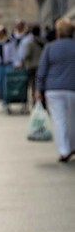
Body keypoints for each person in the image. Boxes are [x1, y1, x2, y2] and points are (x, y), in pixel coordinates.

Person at [35, 16, 75, 163]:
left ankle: (64, 150)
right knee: (72, 119)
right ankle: (71, 146)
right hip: (72, 88)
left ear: (58, 33)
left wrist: (38, 89)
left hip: (53, 89)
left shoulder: (50, 47)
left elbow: (42, 70)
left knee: (59, 120)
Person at [23, 25, 45, 106]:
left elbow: (27, 55)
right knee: (42, 84)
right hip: (43, 66)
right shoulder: (44, 42)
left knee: (33, 85)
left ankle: (35, 101)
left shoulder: (30, 43)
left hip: (33, 66)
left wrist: (24, 62)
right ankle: (42, 101)